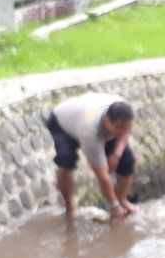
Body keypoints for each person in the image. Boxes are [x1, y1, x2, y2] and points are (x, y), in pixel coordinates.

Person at [46, 92, 138, 225]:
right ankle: (70, 210)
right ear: (107, 121)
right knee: (66, 162)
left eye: (125, 127)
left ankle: (122, 199)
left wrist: (116, 155)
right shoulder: (90, 132)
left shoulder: (124, 111)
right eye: (119, 128)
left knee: (127, 161)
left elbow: (126, 130)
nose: (123, 131)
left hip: (86, 115)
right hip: (62, 123)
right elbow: (102, 176)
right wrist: (114, 206)